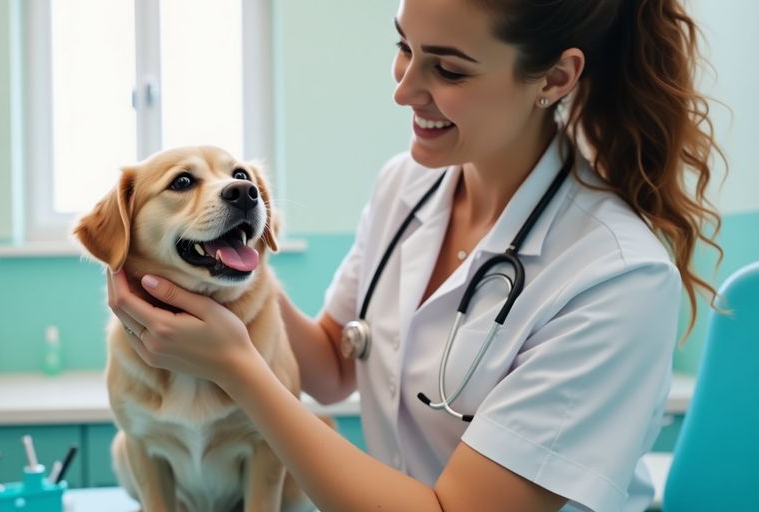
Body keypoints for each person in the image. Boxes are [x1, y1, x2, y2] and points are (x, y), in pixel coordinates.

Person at [105, 0, 723, 510]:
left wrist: (237, 368)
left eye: (448, 70)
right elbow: (328, 366)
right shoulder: (406, 184)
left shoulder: (615, 278)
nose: (404, 90)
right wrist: (231, 277)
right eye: (404, 47)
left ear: (555, 79)